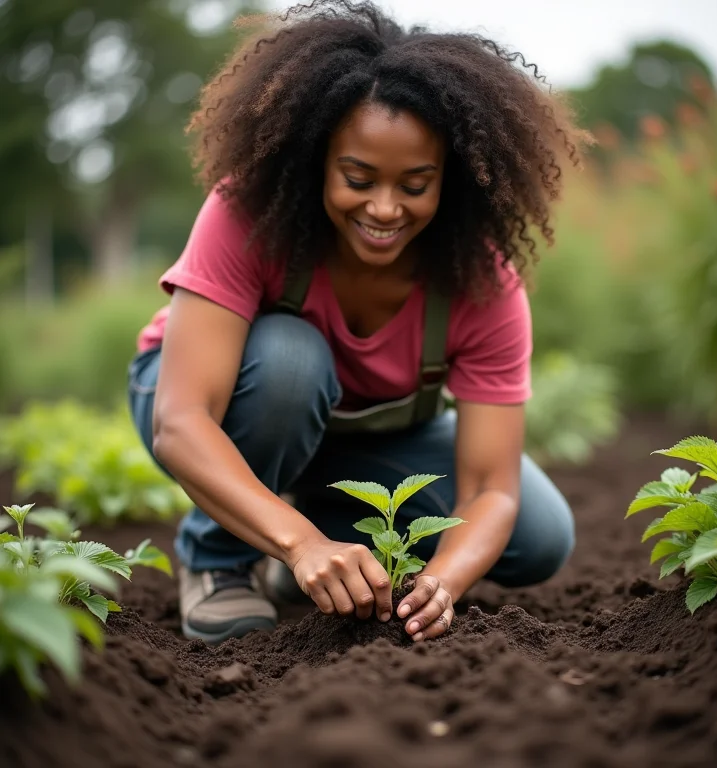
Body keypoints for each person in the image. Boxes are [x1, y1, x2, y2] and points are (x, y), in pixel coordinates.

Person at [128, 0, 587, 646]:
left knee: (541, 537)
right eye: (358, 177)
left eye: (415, 184)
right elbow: (182, 424)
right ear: (318, 159)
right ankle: (219, 561)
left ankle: (325, 550)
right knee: (291, 361)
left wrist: (444, 583)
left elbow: (492, 491)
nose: (384, 207)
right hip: (204, 400)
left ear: (450, 182)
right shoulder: (248, 216)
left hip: (352, 435)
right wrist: (300, 543)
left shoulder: (482, 283)